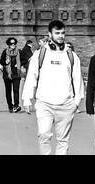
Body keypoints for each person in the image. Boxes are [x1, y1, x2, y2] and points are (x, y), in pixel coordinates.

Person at [21, 20, 84, 155]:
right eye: (57, 33)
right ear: (50, 34)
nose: (61, 36)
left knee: (63, 140)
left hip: (66, 105)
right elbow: (31, 76)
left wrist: (76, 102)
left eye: (63, 33)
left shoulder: (71, 56)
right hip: (44, 103)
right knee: (43, 135)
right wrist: (27, 98)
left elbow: (77, 80)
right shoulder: (40, 54)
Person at [0, 37, 26, 112]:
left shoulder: (19, 51)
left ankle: (16, 106)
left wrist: (19, 64)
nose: (13, 45)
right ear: (8, 44)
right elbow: (1, 61)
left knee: (16, 90)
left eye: (14, 43)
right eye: (11, 43)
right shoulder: (5, 52)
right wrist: (5, 62)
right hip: (7, 74)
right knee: (8, 91)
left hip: (16, 73)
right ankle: (10, 106)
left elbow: (25, 60)